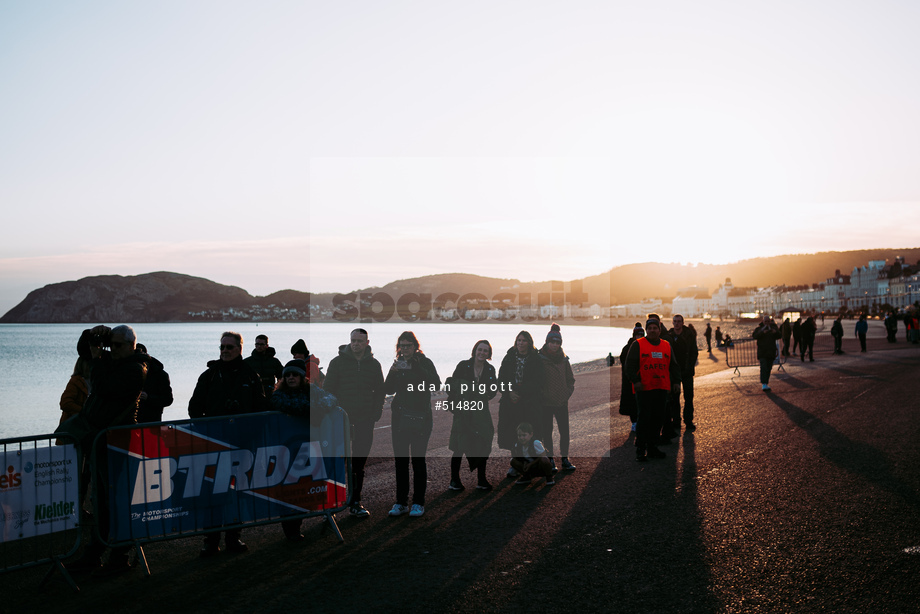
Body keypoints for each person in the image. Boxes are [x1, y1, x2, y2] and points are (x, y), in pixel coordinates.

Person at [63, 325, 147, 576]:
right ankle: (94, 554)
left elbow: (102, 387)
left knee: (115, 501)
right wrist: (93, 334)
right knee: (100, 501)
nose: (113, 349)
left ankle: (118, 556)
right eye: (112, 345)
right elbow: (84, 352)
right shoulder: (113, 360)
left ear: (132, 345)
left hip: (117, 441)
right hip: (100, 440)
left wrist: (99, 357)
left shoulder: (136, 369)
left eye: (119, 345)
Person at [188, 331, 267, 557]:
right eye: (221, 347)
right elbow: (194, 408)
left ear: (239, 349)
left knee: (238, 493)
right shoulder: (209, 375)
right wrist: (208, 433)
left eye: (229, 347)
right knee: (212, 493)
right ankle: (210, 541)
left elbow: (261, 408)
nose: (224, 351)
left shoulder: (251, 375)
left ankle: (234, 537)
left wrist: (249, 434)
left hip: (242, 445)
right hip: (214, 446)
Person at [269, 359, 340, 541]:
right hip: (286, 449)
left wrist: (315, 408)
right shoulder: (279, 394)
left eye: (295, 375)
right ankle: (291, 530)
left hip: (309, 447)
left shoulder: (312, 391)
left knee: (306, 487)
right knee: (287, 489)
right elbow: (283, 404)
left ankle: (300, 524)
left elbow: (331, 398)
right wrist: (311, 409)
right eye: (288, 375)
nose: (291, 378)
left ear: (302, 377)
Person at [323, 328, 386, 518]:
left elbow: (380, 391)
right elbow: (328, 391)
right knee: (337, 463)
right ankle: (332, 506)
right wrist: (334, 415)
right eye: (353, 340)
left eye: (359, 341)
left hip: (365, 420)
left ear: (367, 342)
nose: (356, 344)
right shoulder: (337, 362)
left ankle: (355, 502)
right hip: (341, 420)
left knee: (359, 464)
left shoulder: (374, 364)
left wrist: (376, 413)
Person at [384, 331, 440, 518]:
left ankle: (418, 502)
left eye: (408, 345)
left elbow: (435, 384)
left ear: (415, 346)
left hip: (420, 417)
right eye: (402, 345)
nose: (405, 349)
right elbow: (388, 389)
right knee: (400, 461)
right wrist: (393, 372)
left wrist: (415, 368)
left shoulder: (424, 362)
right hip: (400, 417)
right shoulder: (397, 364)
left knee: (418, 460)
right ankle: (401, 502)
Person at [625, 318, 681, 462]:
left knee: (658, 419)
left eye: (655, 328)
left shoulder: (666, 345)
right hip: (644, 389)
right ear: (646, 330)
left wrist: (676, 382)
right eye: (649, 328)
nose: (652, 330)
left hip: (661, 388)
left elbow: (673, 365)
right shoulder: (637, 345)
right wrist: (635, 381)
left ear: (659, 330)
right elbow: (629, 366)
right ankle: (640, 449)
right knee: (644, 419)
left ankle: (652, 447)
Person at [446, 340, 498, 491]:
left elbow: (493, 390)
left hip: (480, 412)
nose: (482, 353)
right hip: (463, 411)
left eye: (485, 351)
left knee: (483, 441)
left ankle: (481, 480)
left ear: (489, 354)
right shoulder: (463, 365)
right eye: (480, 350)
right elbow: (451, 385)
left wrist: (487, 393)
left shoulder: (489, 369)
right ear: (475, 351)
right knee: (460, 445)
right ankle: (454, 480)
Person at [496, 331, 543, 478]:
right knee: (512, 434)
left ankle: (532, 465)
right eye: (518, 340)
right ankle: (516, 465)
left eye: (523, 340)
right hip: (510, 403)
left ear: (529, 342)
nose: (520, 343)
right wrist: (509, 392)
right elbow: (501, 378)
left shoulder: (536, 358)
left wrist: (520, 392)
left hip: (529, 403)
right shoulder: (509, 357)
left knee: (528, 434)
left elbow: (538, 381)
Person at [537, 323, 576, 472]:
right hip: (546, 403)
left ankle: (565, 459)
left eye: (557, 342)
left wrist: (566, 393)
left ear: (560, 344)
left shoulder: (564, 359)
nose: (554, 345)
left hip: (561, 402)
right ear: (547, 342)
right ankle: (550, 460)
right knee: (547, 432)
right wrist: (542, 395)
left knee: (564, 431)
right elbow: (536, 381)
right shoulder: (540, 359)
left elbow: (571, 380)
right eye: (552, 342)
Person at [669, 314, 699, 431]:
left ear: (682, 323)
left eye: (679, 321)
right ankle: (676, 421)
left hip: (687, 371)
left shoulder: (689, 335)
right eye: (675, 321)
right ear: (673, 323)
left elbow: (694, 352)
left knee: (688, 397)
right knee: (674, 398)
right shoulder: (669, 336)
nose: (676, 324)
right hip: (674, 372)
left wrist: (690, 366)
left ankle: (688, 421)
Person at [134, 343, 173, 423]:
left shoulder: (161, 375)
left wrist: (148, 398)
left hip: (152, 422)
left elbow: (168, 399)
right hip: (132, 421)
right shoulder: (130, 372)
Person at [618, 324, 644, 433]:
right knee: (633, 403)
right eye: (637, 335)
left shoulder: (644, 345)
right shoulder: (627, 348)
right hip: (630, 381)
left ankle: (639, 422)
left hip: (642, 379)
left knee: (641, 403)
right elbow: (624, 363)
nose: (639, 336)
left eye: (641, 335)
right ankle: (634, 423)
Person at [752, 316, 781, 392]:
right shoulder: (759, 329)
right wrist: (762, 332)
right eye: (766, 321)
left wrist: (775, 332)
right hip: (762, 352)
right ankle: (764, 383)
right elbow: (754, 336)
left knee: (768, 368)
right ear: (763, 321)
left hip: (771, 352)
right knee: (764, 367)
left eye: (768, 321)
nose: (767, 323)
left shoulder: (773, 328)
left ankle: (766, 383)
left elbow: (779, 335)